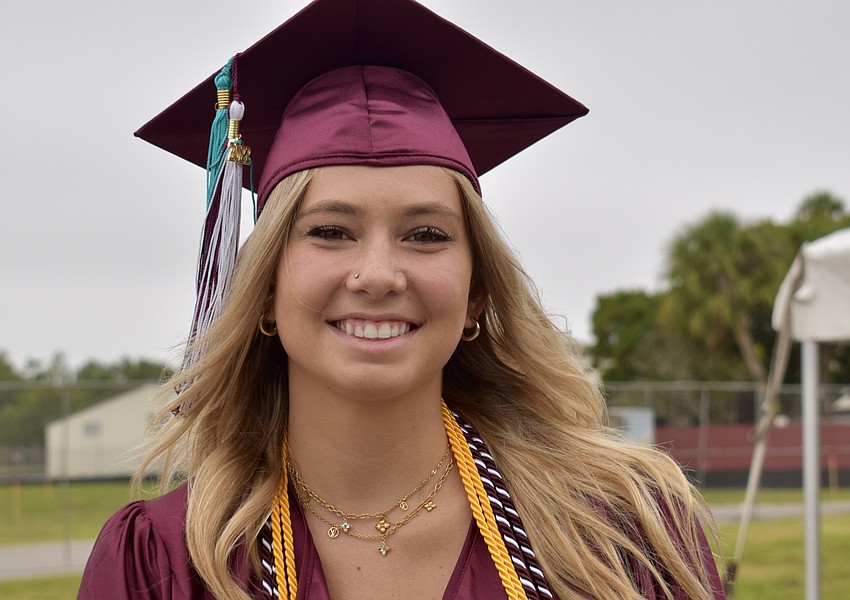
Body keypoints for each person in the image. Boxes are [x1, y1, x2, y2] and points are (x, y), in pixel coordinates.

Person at [79, 0, 725, 598]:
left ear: (476, 294)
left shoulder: (622, 541)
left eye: (426, 235)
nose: (380, 274)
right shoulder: (165, 566)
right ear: (266, 292)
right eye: (331, 231)